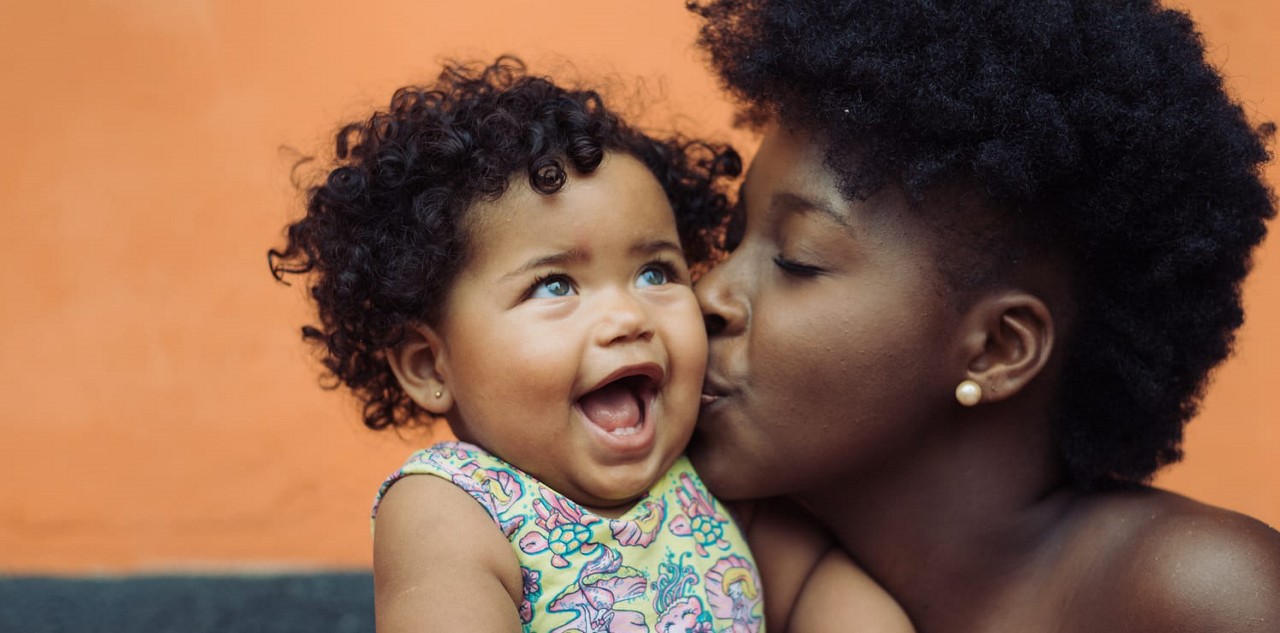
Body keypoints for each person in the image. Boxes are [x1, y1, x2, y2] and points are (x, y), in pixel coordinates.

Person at [684, 0, 1280, 631]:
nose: (706, 297)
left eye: (798, 260)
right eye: (733, 238)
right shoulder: (688, 555)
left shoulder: (1198, 593)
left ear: (997, 349)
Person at [269, 57, 909, 632]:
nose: (627, 316)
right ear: (428, 364)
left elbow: (820, 588)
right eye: (554, 285)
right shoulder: (452, 508)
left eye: (656, 273)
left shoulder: (706, 484)